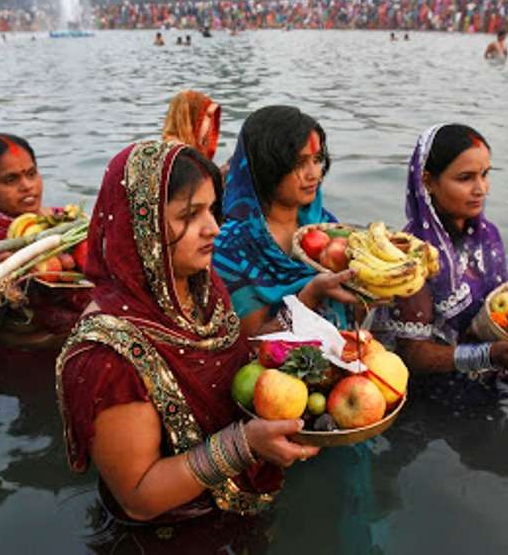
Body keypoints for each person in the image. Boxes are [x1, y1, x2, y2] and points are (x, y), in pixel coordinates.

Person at [57, 141, 312, 524]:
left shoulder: (201, 288)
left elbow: (240, 366)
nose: (213, 228)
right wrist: (243, 445)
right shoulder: (108, 355)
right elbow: (138, 497)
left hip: (235, 507)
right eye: (188, 215)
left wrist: (310, 305)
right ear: (142, 227)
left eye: (212, 210)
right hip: (172, 532)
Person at [372, 124, 508, 379]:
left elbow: (500, 312)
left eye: (485, 174)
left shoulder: (488, 236)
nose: (481, 189)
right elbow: (412, 355)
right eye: (465, 178)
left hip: (496, 371)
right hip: (435, 393)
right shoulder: (412, 255)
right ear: (427, 181)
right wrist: (487, 355)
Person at [212, 106, 358, 338]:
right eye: (299, 163)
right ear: (266, 167)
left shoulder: (325, 225)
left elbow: (351, 315)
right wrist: (309, 297)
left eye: (317, 159)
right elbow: (252, 342)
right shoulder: (231, 247)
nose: (314, 174)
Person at [0, 133, 90, 365]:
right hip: (23, 365)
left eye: (31, 174)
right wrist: (10, 283)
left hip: (80, 348)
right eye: (10, 180)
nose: (27, 186)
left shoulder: (64, 220)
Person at [161, 90, 221, 162]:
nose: (211, 123)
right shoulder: (186, 157)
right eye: (208, 116)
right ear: (190, 119)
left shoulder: (162, 150)